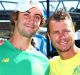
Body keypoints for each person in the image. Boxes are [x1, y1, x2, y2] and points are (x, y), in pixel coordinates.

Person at [0, 0, 50, 75]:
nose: (32, 20)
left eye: (37, 17)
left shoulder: (44, 62)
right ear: (15, 18)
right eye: (26, 14)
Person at [47, 9, 80, 75]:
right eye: (56, 32)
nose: (62, 36)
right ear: (49, 36)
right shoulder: (48, 66)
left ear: (73, 30)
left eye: (66, 31)